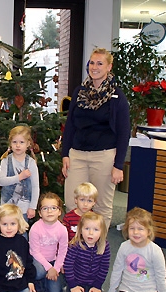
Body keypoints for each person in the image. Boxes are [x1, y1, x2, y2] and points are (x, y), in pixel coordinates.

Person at [61, 47, 130, 229]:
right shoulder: (80, 92)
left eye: (100, 63)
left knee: (101, 207)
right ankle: (74, 248)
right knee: (72, 203)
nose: (94, 67)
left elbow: (124, 133)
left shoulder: (117, 97)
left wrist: (118, 165)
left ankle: (99, 251)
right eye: (92, 62)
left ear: (109, 67)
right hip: (77, 154)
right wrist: (65, 154)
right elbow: (70, 125)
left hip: (104, 156)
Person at [108, 207, 166, 292]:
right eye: (132, 228)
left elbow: (161, 279)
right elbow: (116, 272)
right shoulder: (124, 247)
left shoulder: (155, 251)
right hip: (127, 291)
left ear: (149, 231)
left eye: (140, 229)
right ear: (126, 229)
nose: (136, 232)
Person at [63, 212, 110, 292]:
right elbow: (68, 265)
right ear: (80, 230)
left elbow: (104, 267)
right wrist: (73, 285)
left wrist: (97, 286)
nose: (91, 233)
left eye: (96, 229)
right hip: (76, 281)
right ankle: (68, 289)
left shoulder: (104, 246)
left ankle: (91, 291)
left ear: (102, 232)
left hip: (93, 282)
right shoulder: (75, 244)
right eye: (87, 229)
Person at [0, 125, 39, 227]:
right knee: (6, 230)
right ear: (10, 144)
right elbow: (1, 181)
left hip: (24, 208)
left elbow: (35, 186)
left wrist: (32, 207)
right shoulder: (6, 160)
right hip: (7, 205)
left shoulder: (31, 163)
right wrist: (19, 177)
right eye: (14, 142)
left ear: (28, 144)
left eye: (21, 142)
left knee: (22, 232)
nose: (18, 145)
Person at [28, 192, 68, 292]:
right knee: (40, 272)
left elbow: (63, 251)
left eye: (53, 208)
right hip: (37, 260)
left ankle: (48, 280)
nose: (49, 211)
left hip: (52, 260)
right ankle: (38, 280)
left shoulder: (62, 229)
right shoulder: (35, 228)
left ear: (59, 211)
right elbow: (34, 252)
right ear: (40, 213)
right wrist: (49, 268)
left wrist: (56, 268)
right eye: (45, 208)